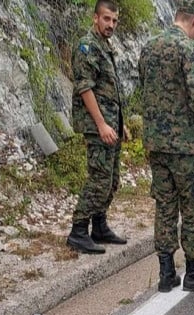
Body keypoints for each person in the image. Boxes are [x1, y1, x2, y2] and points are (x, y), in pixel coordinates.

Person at [138, 0, 194, 292]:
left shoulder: (149, 47)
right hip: (187, 147)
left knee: (165, 206)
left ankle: (166, 273)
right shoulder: (189, 49)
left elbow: (144, 91)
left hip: (157, 146)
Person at [67, 0, 127, 254]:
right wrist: (101, 124)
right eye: (106, 19)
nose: (110, 24)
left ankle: (99, 226)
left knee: (112, 179)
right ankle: (78, 231)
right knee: (99, 178)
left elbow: (109, 89)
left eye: (114, 20)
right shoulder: (87, 46)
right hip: (97, 125)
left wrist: (120, 123)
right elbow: (85, 88)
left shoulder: (105, 46)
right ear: (95, 18)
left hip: (111, 124)